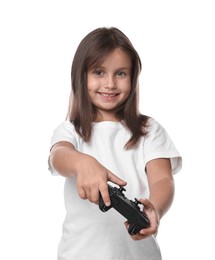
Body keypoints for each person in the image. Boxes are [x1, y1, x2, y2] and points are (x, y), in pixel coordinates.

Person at [48, 27, 182, 260]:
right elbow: (58, 156)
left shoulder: (148, 130)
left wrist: (155, 209)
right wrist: (82, 163)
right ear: (81, 77)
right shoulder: (71, 131)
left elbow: (162, 179)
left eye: (120, 74)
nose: (110, 84)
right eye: (99, 72)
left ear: (133, 77)